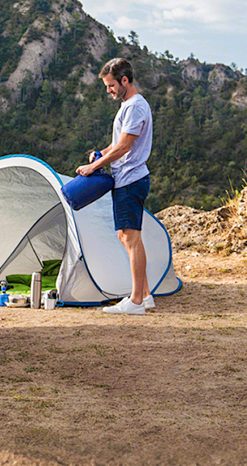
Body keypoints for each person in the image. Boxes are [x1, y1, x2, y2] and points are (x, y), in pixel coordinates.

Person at [76, 58, 154, 315]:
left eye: (110, 85)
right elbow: (117, 144)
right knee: (127, 237)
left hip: (131, 180)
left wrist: (94, 168)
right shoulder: (128, 106)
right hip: (126, 180)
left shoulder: (134, 107)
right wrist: (100, 154)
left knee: (130, 239)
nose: (108, 90)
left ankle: (135, 302)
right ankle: (144, 295)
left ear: (124, 80)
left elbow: (124, 148)